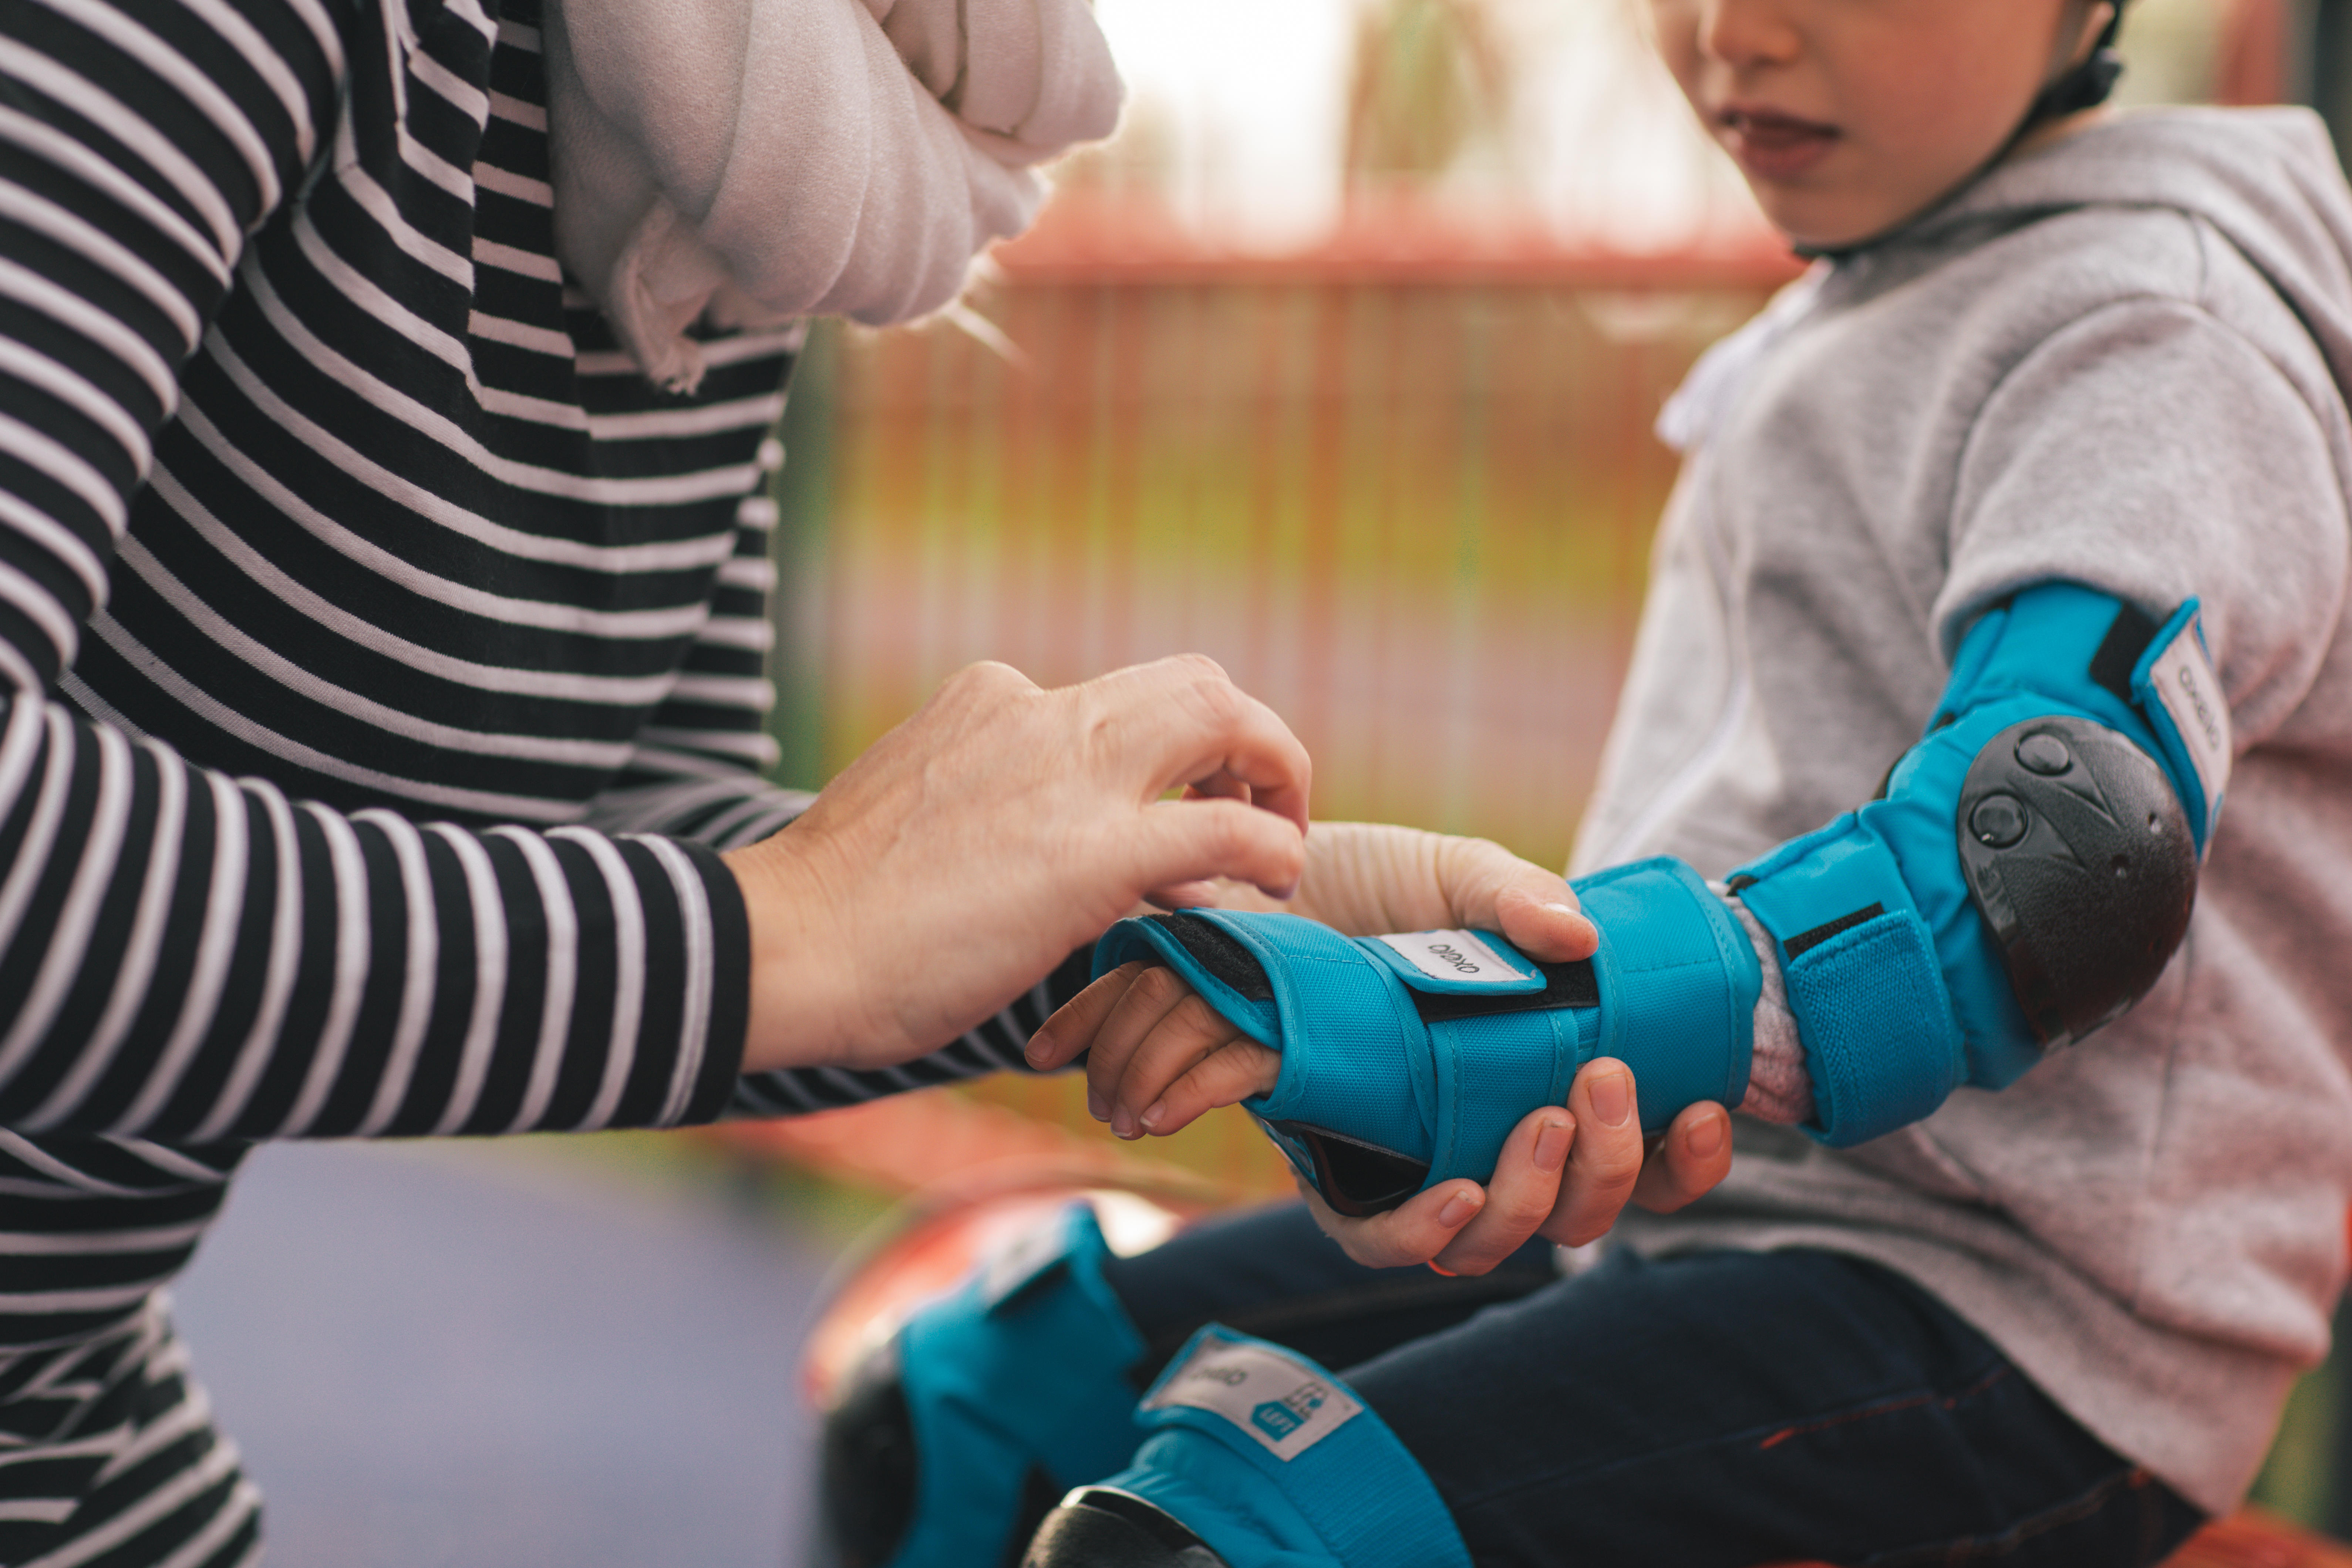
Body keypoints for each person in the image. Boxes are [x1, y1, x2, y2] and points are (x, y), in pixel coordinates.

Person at [0, 0, 1682, 1561]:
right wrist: (790, 927)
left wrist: (1212, 927)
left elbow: (615, 851)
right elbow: (748, 935)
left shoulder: (793, 130)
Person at [825, 0, 2352, 1564]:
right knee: (983, 1397)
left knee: (1241, 1538)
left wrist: (1508, 1015)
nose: (1732, 33)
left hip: (2009, 1312)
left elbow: (2053, 868)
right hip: (1707, 1212)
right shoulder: (1897, 277)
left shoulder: (2157, 334)